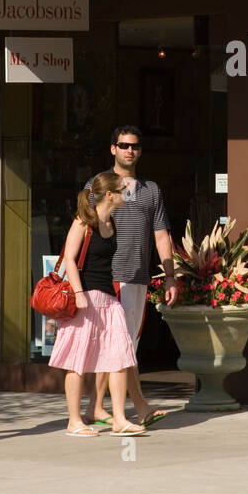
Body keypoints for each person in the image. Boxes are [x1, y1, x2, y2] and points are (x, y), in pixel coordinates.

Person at [84, 125, 179, 428]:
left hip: (138, 277)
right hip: (109, 276)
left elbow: (161, 235)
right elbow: (82, 224)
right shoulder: (98, 185)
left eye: (135, 146)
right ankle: (120, 408)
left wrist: (170, 276)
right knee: (118, 346)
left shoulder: (151, 190)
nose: (130, 150)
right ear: (112, 148)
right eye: (124, 145)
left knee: (124, 347)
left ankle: (106, 408)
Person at [50, 171, 146, 437]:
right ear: (110, 195)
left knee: (119, 358)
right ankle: (74, 421)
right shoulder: (84, 222)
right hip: (86, 299)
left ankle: (119, 419)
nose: (127, 191)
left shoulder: (111, 223)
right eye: (122, 188)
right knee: (78, 361)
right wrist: (79, 293)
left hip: (109, 299)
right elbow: (69, 258)